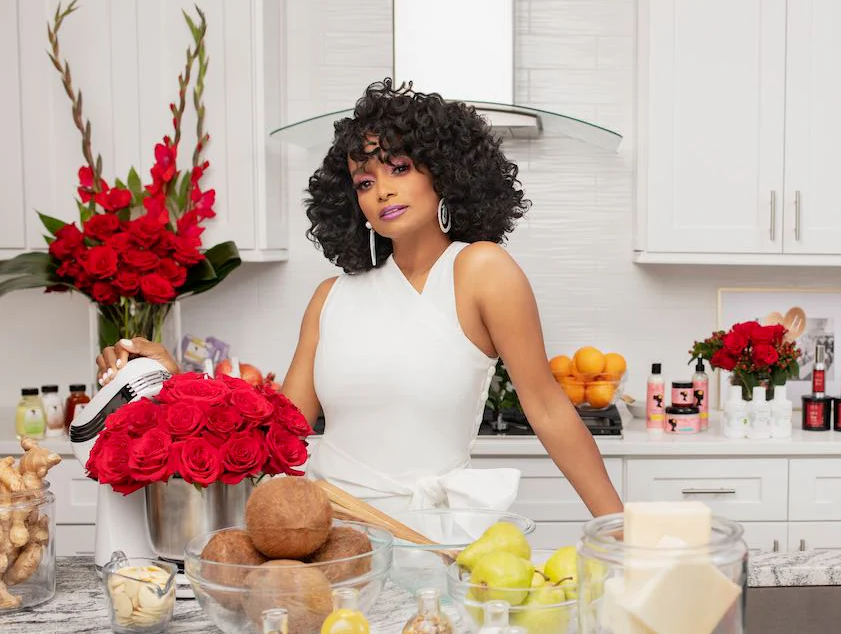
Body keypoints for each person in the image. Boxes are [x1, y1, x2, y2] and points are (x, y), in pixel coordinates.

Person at [97, 79, 623, 518]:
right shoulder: (330, 299)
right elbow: (277, 431)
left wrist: (617, 530)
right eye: (365, 180)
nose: (382, 191)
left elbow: (549, 409)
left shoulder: (481, 270)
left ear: (443, 175)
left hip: (433, 539)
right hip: (330, 533)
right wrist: (170, 381)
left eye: (399, 169)